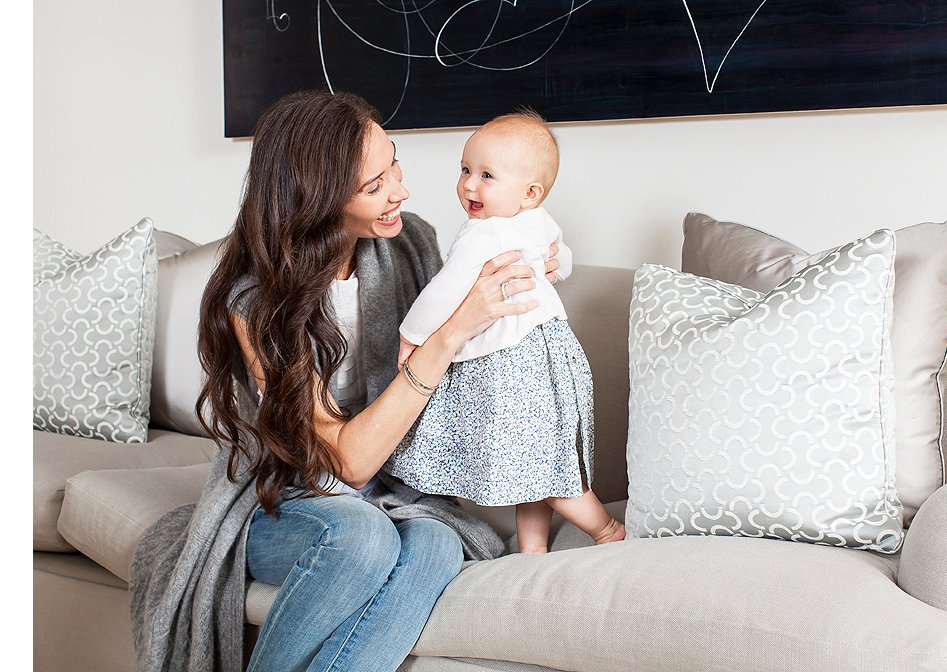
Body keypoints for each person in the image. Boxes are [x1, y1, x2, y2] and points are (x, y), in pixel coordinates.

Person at [127, 90, 563, 672]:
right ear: (317, 201)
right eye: (374, 185)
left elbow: (481, 349)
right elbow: (345, 461)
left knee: (435, 543)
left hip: (395, 485)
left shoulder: (411, 243)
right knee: (361, 538)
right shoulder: (258, 302)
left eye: (394, 165)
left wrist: (539, 259)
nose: (401, 192)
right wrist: (450, 334)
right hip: (284, 495)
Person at [383, 111, 626, 555]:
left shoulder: (486, 233)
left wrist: (411, 335)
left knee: (535, 463)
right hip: (551, 354)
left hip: (509, 362)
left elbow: (445, 291)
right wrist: (556, 268)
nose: (470, 185)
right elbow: (560, 256)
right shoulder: (535, 218)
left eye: (487, 176)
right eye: (465, 170)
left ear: (529, 191)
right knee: (534, 460)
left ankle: (607, 529)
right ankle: (533, 550)